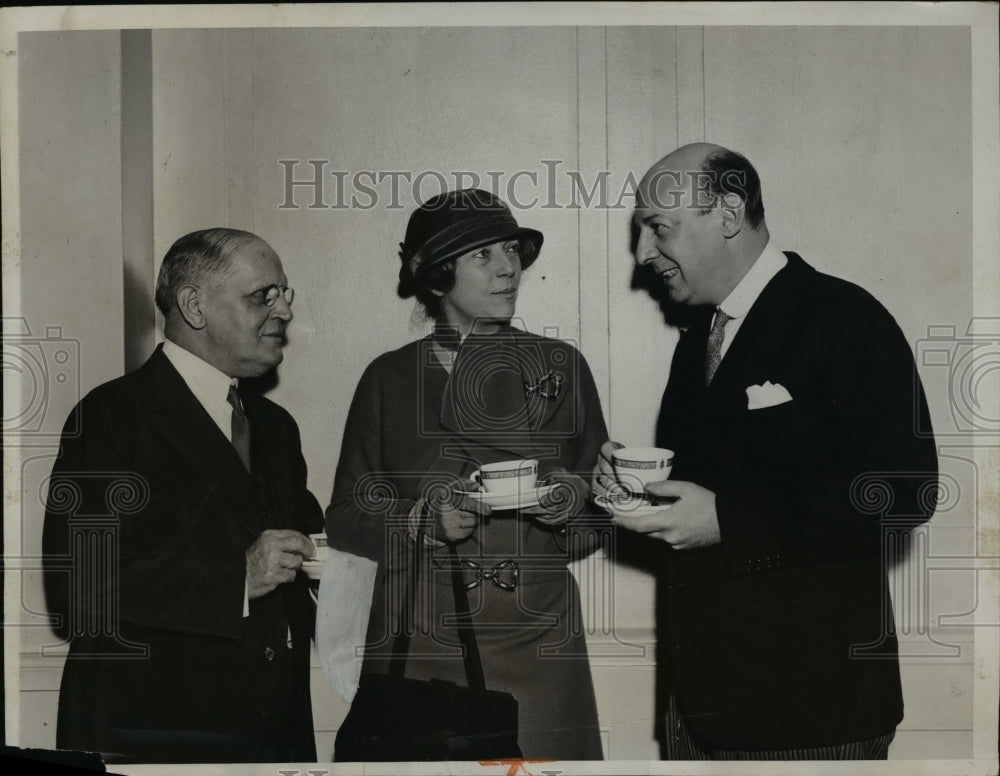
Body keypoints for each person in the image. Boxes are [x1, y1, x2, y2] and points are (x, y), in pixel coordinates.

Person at [593, 143, 938, 760]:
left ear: (728, 213)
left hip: (809, 717)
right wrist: (635, 486)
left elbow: (904, 491)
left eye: (657, 228)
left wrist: (726, 520)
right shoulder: (699, 336)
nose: (643, 255)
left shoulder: (845, 317)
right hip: (696, 709)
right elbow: (719, 487)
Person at [326, 189, 608, 760]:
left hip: (538, 646)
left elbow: (601, 512)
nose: (509, 267)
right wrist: (420, 521)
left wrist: (569, 502)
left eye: (510, 250)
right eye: (483, 255)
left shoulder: (561, 366)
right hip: (421, 648)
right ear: (436, 278)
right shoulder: (387, 379)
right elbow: (345, 519)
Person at [42, 228, 322, 763]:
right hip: (154, 737)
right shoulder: (111, 416)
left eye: (286, 294)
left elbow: (308, 547)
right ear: (194, 305)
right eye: (263, 295)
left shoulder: (275, 426)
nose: (284, 310)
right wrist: (238, 578)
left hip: (271, 737)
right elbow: (77, 586)